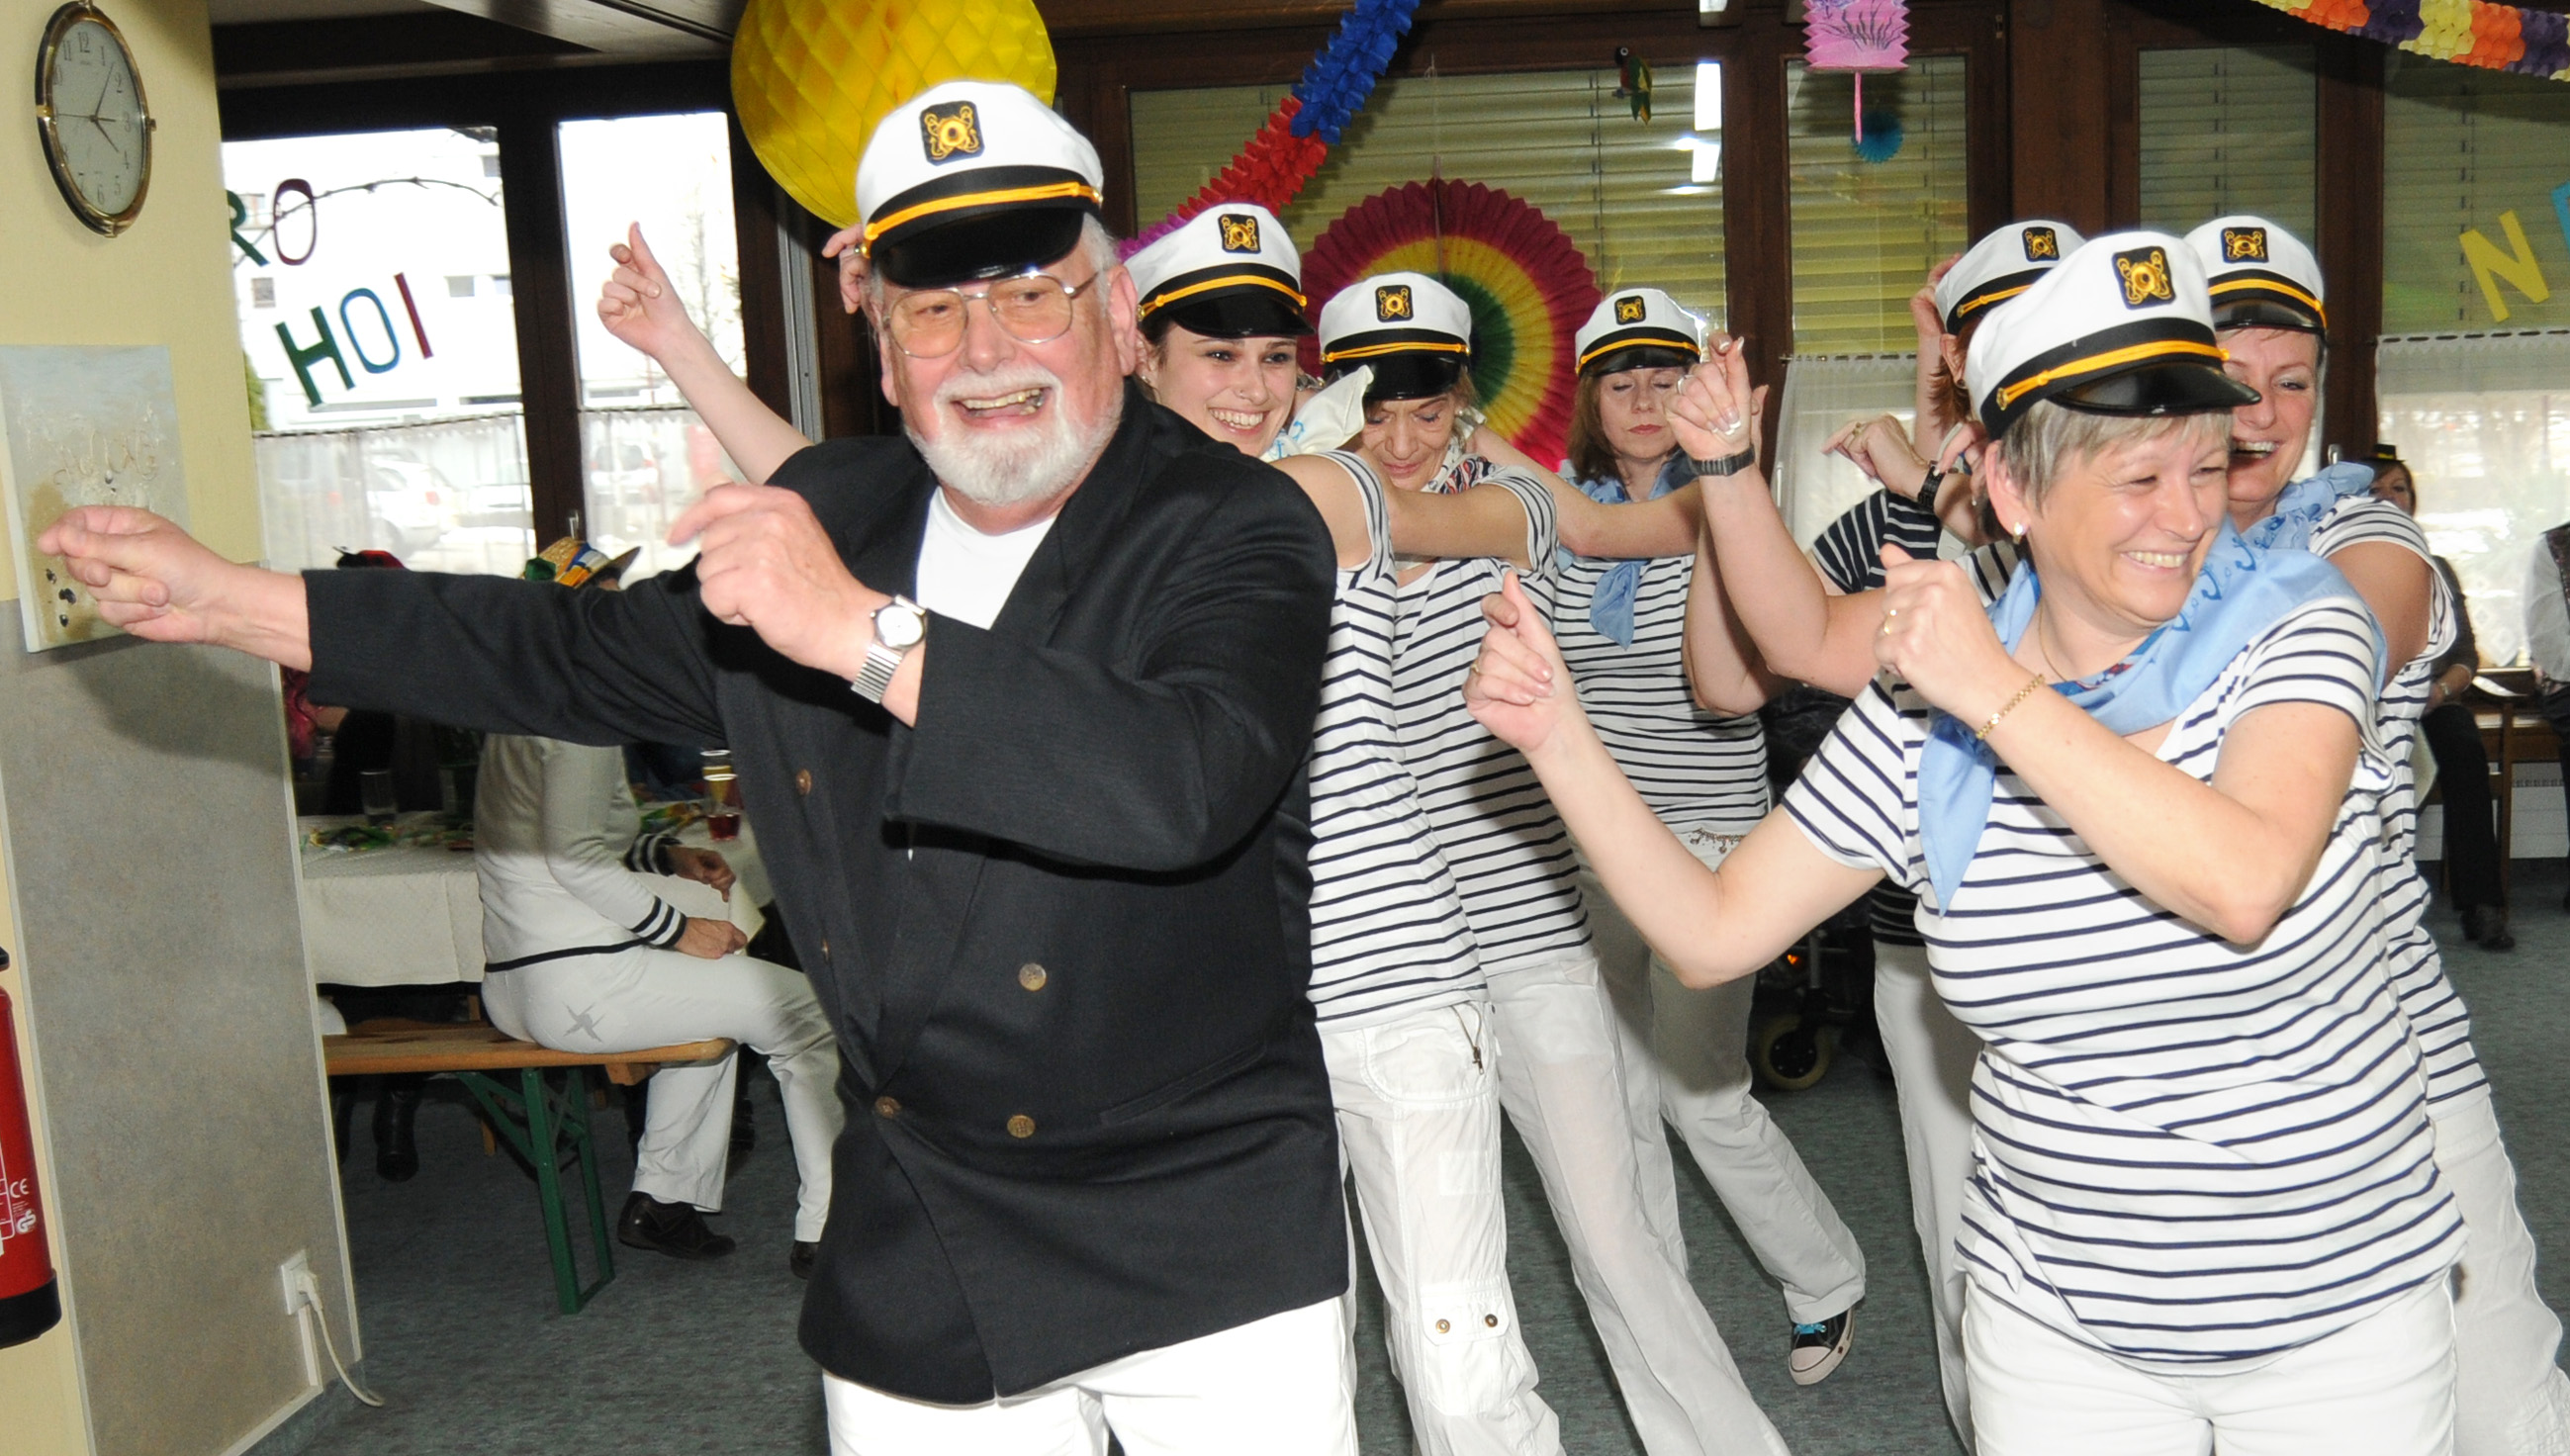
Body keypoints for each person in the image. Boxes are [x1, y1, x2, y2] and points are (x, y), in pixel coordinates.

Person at [46, 80, 1358, 1454]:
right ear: (883, 348)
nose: (984, 350)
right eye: (930, 310)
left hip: (1198, 1224)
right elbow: (558, 650)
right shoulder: (833, 511)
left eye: (1032, 295)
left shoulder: (1235, 522)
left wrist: (859, 632)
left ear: (1118, 316)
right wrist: (234, 601)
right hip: (929, 1221)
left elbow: (1181, 779)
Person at [1470, 230, 2464, 1454]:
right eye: (2138, 478)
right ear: (2010, 488)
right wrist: (1557, 736)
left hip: (2338, 1315)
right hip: (2057, 1322)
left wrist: (1991, 689)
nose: (2187, 516)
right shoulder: (1924, 697)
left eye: (2206, 468)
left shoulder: (2298, 626)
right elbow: (1713, 930)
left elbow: (2243, 878)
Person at [1324, 272, 1795, 1456]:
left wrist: (1728, 459)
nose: (1402, 440)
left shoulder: (1511, 508)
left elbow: (1613, 529)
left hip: (1525, 928)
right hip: (1381, 956)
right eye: (1376, 413)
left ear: (1464, 407)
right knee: (1394, 1276)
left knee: (1617, 1236)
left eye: (1429, 409)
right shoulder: (1294, 531)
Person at [1678, 220, 2078, 1446]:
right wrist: (1726, 478)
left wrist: (1927, 476)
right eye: (1981, 339)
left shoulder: (2143, 523)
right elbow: (1742, 673)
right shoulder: (1889, 524)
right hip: (1924, 943)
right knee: (1966, 1231)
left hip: (2107, 948)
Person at [2185, 215, 2570, 1456]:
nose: (2263, 413)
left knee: (2504, 1399)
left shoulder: (2363, 535)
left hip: (2387, 1044)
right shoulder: (2117, 544)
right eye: (2229, 379)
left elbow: (2343, 633)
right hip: (2192, 1080)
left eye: (2294, 382)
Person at [1551, 287, 1867, 1386]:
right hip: (1592, 851)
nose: (1644, 400)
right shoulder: (1560, 525)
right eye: (1621, 380)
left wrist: (1726, 491)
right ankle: (1660, 1296)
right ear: (1592, 400)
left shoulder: (1732, 512)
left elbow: (1758, 677)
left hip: (1712, 846)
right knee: (1617, 1093)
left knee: (1701, 1094)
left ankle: (1824, 1275)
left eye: (1664, 378)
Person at [469, 536, 842, 1272]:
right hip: (580, 984)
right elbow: (570, 857)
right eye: (610, 601)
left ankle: (664, 1201)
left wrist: (664, 856)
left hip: (522, 983)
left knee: (719, 1004)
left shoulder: (520, 704)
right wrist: (678, 931)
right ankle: (830, 1227)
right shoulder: (580, 710)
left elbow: (558, 840)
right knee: (807, 1016)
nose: (627, 616)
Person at [2369, 446, 2511, 950]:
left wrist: (2440, 690)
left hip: (2433, 700)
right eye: (2375, 490)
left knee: (2465, 748)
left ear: (2413, 500)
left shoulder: (2438, 569)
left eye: (2398, 489)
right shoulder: (2338, 562)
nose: (2389, 498)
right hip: (2368, 705)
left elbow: (2465, 652)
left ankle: (2482, 905)